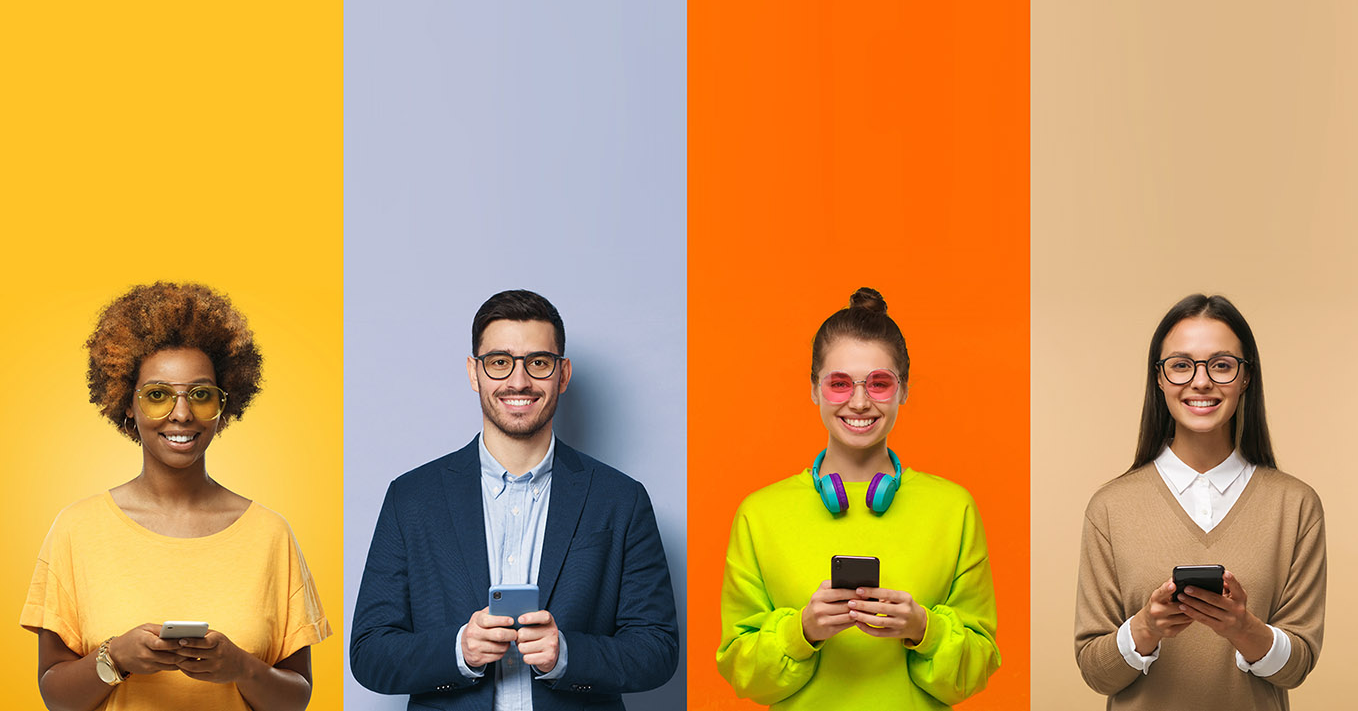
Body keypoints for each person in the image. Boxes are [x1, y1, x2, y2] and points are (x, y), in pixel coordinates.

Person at [350, 289, 679, 709]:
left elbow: (658, 649)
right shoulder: (411, 498)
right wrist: (459, 650)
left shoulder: (621, 499)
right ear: (474, 373)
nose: (518, 381)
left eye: (538, 363)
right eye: (499, 362)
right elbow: (369, 653)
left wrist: (568, 655)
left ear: (563, 373)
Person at [22, 281, 329, 711]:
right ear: (127, 403)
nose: (181, 414)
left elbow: (296, 697)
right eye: (158, 395)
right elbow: (56, 697)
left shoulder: (270, 534)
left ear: (223, 406)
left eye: (200, 395)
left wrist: (240, 667)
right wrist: (116, 657)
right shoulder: (77, 529)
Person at [717, 287, 999, 708]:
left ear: (903, 390)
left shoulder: (953, 508)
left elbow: (976, 670)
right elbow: (743, 675)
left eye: (880, 383)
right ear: (814, 389)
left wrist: (925, 628)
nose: (860, 401)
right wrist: (803, 631)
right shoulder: (759, 515)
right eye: (840, 383)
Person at [1074, 294, 1327, 710]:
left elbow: (1296, 667)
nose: (1201, 381)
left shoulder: (1296, 505)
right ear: (1159, 379)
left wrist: (1244, 629)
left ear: (1246, 378)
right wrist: (1146, 627)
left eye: (1222, 365)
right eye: (1180, 365)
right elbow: (1095, 671)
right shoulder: (1109, 507)